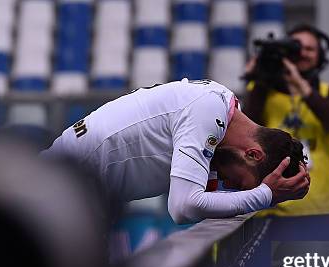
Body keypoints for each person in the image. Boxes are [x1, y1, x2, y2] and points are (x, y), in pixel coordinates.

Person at [42, 78, 309, 224]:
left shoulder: (222, 112)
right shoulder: (209, 112)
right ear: (252, 154)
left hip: (76, 194)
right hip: (58, 190)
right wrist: (264, 195)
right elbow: (183, 206)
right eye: (240, 183)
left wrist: (268, 193)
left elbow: (208, 196)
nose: (229, 186)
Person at [244, 24, 329, 220]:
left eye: (310, 49)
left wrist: (300, 85)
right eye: (296, 48)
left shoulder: (328, 93)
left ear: (320, 56)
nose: (303, 54)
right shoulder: (264, 93)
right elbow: (249, 129)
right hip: (274, 206)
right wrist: (260, 78)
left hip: (323, 206)